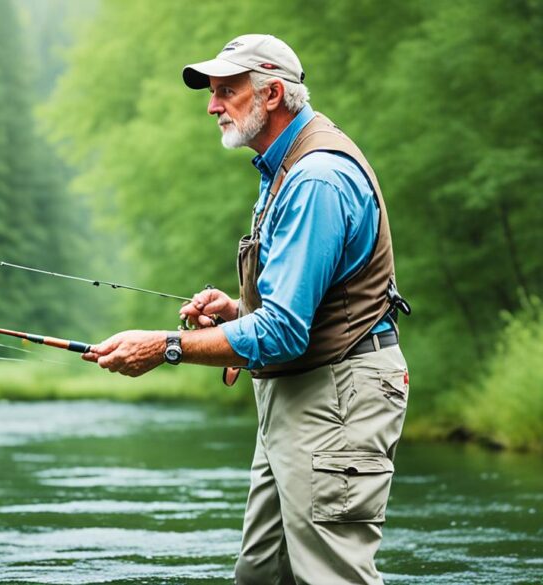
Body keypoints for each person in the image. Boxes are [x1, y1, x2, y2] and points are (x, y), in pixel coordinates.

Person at [81, 34, 409, 584]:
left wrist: (165, 346)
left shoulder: (315, 179)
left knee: (332, 575)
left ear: (273, 93)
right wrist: (238, 310)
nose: (212, 106)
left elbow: (282, 330)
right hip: (303, 390)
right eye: (213, 93)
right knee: (261, 573)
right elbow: (302, 301)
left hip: (336, 397)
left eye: (226, 92)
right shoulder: (281, 167)